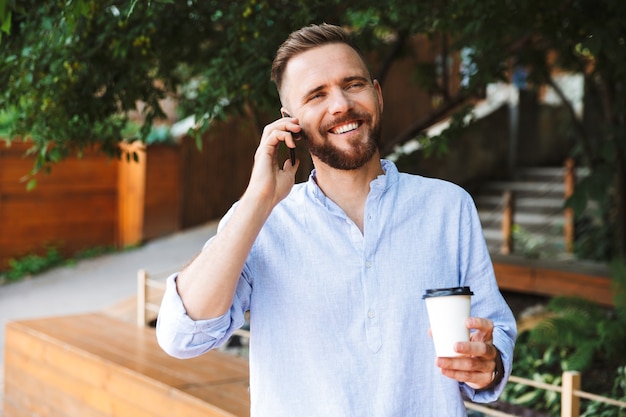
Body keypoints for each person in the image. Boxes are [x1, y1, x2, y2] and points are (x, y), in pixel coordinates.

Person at [157, 23, 517, 416]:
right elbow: (182, 336)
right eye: (316, 94)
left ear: (377, 95)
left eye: (353, 84)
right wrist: (258, 201)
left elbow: (493, 334)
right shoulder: (262, 221)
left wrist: (487, 364)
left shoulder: (448, 207)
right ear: (290, 120)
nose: (341, 104)